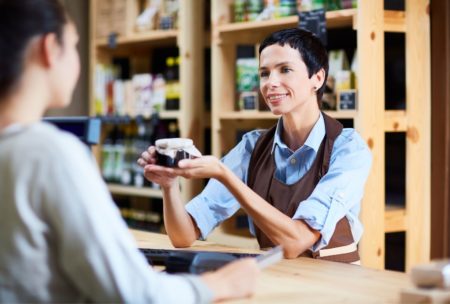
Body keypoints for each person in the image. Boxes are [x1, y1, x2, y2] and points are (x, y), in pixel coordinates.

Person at [0, 0, 259, 302]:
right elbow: (132, 294)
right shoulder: (48, 154)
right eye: (74, 46)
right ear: (49, 49)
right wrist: (220, 285)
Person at [138, 28, 372, 264]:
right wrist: (169, 186)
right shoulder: (252, 146)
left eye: (285, 70)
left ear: (317, 78)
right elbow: (183, 236)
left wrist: (224, 175)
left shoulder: (348, 148)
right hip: (280, 280)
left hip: (338, 286)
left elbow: (296, 241)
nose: (271, 83)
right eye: (264, 73)